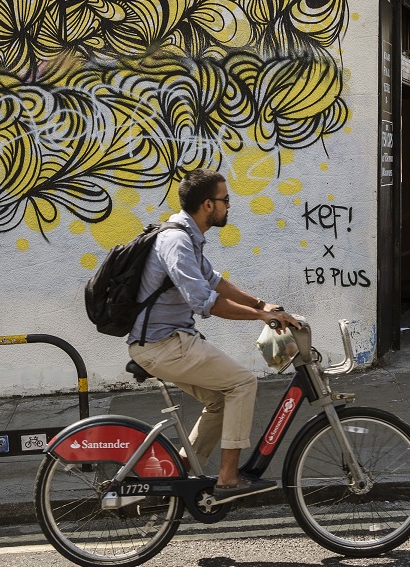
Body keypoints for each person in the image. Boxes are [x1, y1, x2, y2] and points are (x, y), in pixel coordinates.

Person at [128, 170, 299, 497]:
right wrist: (261, 317)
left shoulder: (186, 236)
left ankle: (180, 476)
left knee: (222, 398)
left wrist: (263, 304)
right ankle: (228, 476)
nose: (229, 206)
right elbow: (205, 301)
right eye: (225, 200)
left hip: (171, 342)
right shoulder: (176, 241)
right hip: (163, 346)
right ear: (208, 205)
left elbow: (216, 281)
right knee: (243, 383)